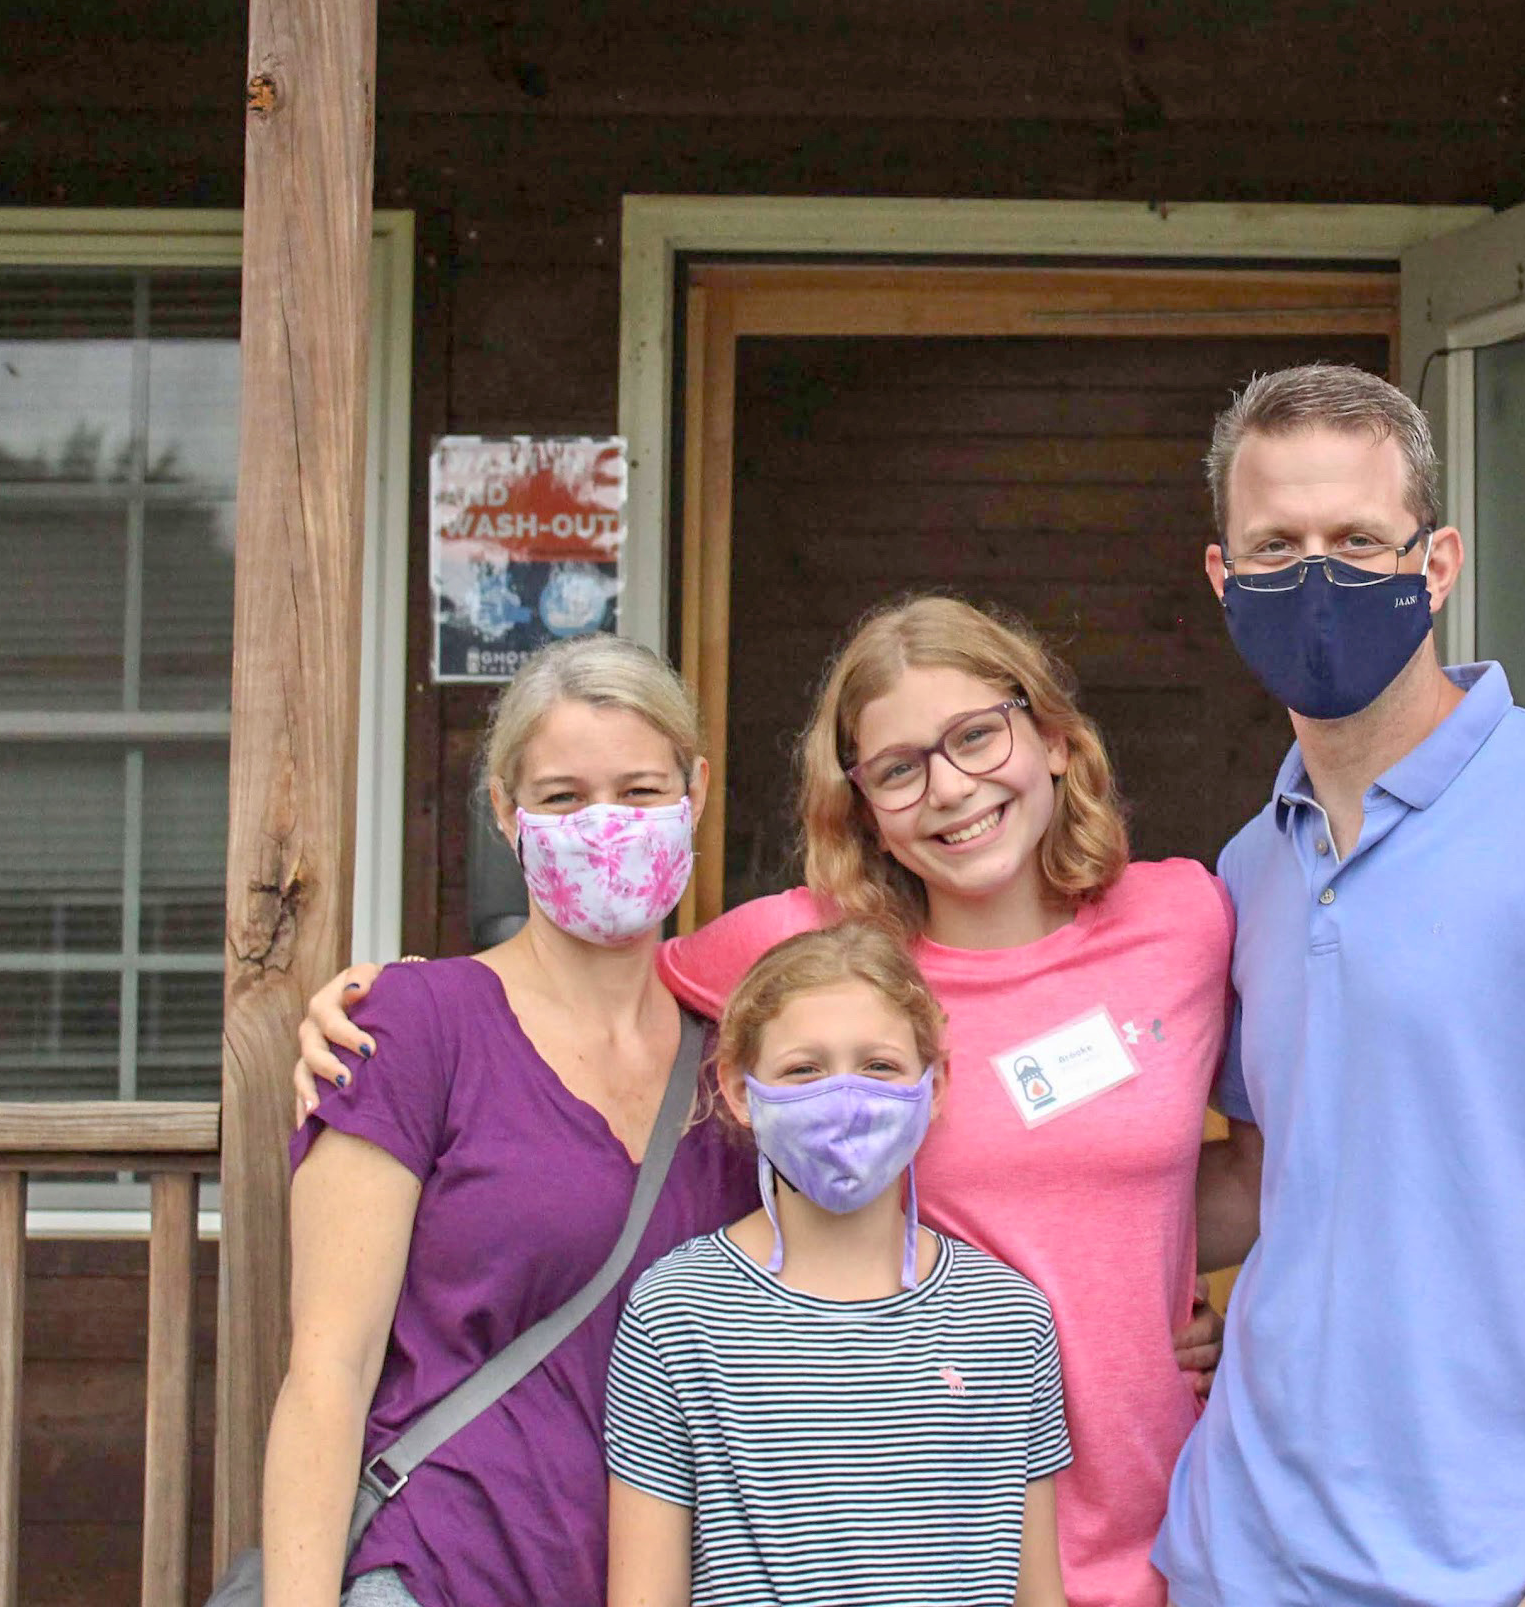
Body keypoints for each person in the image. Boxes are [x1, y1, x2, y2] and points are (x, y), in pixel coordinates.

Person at [300, 596, 1235, 1607]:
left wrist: (1169, 1299)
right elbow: (594, 970)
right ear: (864, 802)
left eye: (976, 735)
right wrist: (392, 1000)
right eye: (899, 767)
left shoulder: (1186, 918)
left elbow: (1243, 1168)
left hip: (1153, 1522)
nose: (952, 786)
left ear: (1052, 734)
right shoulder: (807, 950)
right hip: (905, 1532)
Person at [1155, 362, 1525, 1607]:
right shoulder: (1249, 863)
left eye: (1356, 541)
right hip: (1236, 1553)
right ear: (1223, 579)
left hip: (1501, 1569)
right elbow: (1269, 1185)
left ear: (1435, 564)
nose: (1315, 577)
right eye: (1275, 546)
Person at [263, 638, 760, 1607]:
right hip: (446, 1569)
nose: (607, 825)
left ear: (695, 791)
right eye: (566, 797)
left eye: (642, 790)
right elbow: (328, 1366)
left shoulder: (747, 1060)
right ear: (506, 811)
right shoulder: (413, 1027)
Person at [607, 922, 1072, 1607]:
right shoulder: (678, 1311)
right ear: (740, 1090)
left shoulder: (1008, 1319)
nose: (846, 1100)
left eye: (879, 1066)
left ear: (935, 1085)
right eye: (804, 1069)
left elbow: (1037, 1590)